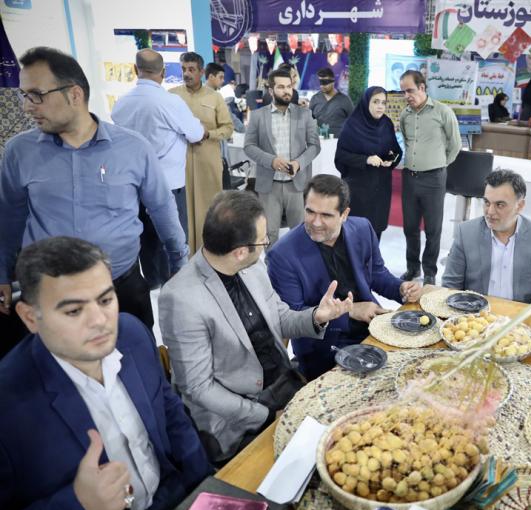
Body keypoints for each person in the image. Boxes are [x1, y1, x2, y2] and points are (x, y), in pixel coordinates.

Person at [0, 237, 210, 510]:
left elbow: (171, 412)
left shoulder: (133, 334)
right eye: (74, 311)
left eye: (105, 300)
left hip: (178, 502)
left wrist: (206, 488)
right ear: (30, 317)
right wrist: (77, 503)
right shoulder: (7, 403)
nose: (100, 321)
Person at [0, 46, 187, 331]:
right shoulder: (19, 152)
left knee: (136, 353)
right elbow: (9, 217)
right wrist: (2, 272)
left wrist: (178, 261)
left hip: (122, 288)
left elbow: (161, 207)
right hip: (50, 293)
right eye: (24, 95)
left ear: (74, 94)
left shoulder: (133, 148)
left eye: (36, 95)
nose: (27, 107)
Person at [159, 191, 352, 463]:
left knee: (345, 438)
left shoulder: (252, 267)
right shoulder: (181, 298)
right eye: (263, 240)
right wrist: (265, 415)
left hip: (283, 383)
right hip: (235, 419)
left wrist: (316, 316)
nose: (265, 246)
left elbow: (279, 318)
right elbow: (199, 388)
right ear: (240, 252)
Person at [268, 175, 422, 380]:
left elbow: (377, 274)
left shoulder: (363, 229)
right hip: (322, 348)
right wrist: (350, 311)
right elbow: (292, 318)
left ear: (344, 214)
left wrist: (401, 288)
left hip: (372, 329)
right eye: (310, 212)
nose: (315, 222)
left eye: (326, 215)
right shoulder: (283, 254)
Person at [112, 48, 204, 290]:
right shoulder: (171, 102)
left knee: (147, 243)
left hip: (134, 187)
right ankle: (175, 290)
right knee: (173, 243)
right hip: (168, 186)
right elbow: (196, 133)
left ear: (135, 70)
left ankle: (153, 288)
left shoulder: (121, 104)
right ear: (163, 72)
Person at [442, 169, 531, 303]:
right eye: (487, 202)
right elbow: (450, 288)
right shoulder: (466, 233)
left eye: (500, 205)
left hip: (521, 315)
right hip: (474, 313)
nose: (490, 212)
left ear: (519, 206)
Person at [244, 69, 321, 250]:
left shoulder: (304, 114)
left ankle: (299, 266)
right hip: (268, 185)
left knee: (301, 232)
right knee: (269, 234)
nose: (287, 91)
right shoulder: (257, 116)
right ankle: (272, 267)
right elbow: (249, 146)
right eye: (281, 87)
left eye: (289, 86)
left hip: (297, 184)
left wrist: (299, 163)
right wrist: (270, 161)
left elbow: (315, 146)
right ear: (271, 90)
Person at [398, 70, 461, 285]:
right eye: (403, 92)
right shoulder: (405, 115)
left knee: (433, 229)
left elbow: (455, 145)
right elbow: (407, 142)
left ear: (422, 87)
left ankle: (430, 272)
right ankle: (412, 268)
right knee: (410, 227)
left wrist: (439, 164)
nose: (406, 96)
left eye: (410, 90)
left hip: (434, 179)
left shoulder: (443, 112)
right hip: (409, 177)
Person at [169, 52, 234, 254]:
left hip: (208, 163)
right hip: (179, 164)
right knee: (182, 212)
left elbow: (228, 128)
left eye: (191, 69)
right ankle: (185, 257)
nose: (186, 74)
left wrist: (209, 134)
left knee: (210, 210)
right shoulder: (172, 96)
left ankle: (210, 254)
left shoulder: (214, 98)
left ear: (201, 72)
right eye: (183, 69)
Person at [334, 86, 402, 241]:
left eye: (383, 102)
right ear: (366, 102)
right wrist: (366, 160)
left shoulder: (386, 124)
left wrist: (391, 160)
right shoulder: (352, 125)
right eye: (375, 102)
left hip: (381, 190)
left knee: (375, 233)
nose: (380, 106)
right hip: (358, 190)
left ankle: (372, 257)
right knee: (355, 236)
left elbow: (396, 150)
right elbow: (341, 156)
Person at [309, 67, 353, 137]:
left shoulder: (345, 100)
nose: (322, 86)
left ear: (333, 81)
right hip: (319, 140)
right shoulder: (315, 99)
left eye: (325, 82)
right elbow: (309, 120)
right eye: (320, 82)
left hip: (338, 141)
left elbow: (353, 121)